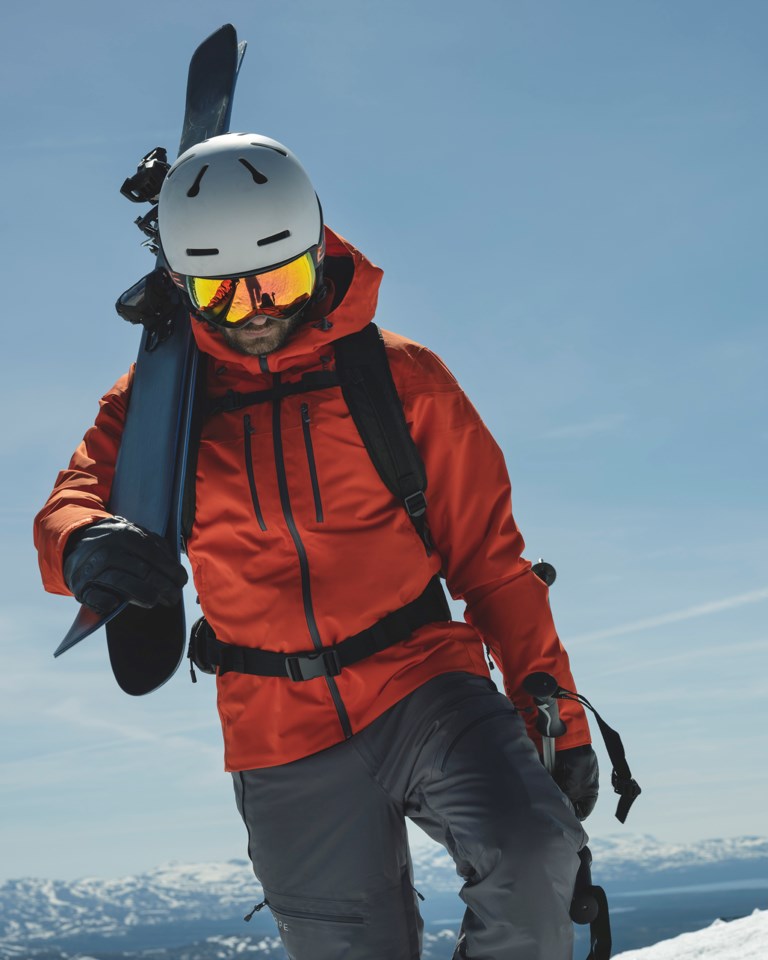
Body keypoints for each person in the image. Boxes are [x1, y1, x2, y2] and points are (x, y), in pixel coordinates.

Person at [34, 133, 599, 960]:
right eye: (224, 293)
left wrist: (559, 715)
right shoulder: (158, 402)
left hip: (423, 683)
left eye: (278, 281)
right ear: (182, 287)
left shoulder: (402, 378)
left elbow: (493, 565)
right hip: (276, 727)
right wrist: (84, 544)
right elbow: (69, 504)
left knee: (536, 855)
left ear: (317, 252)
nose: (256, 311)